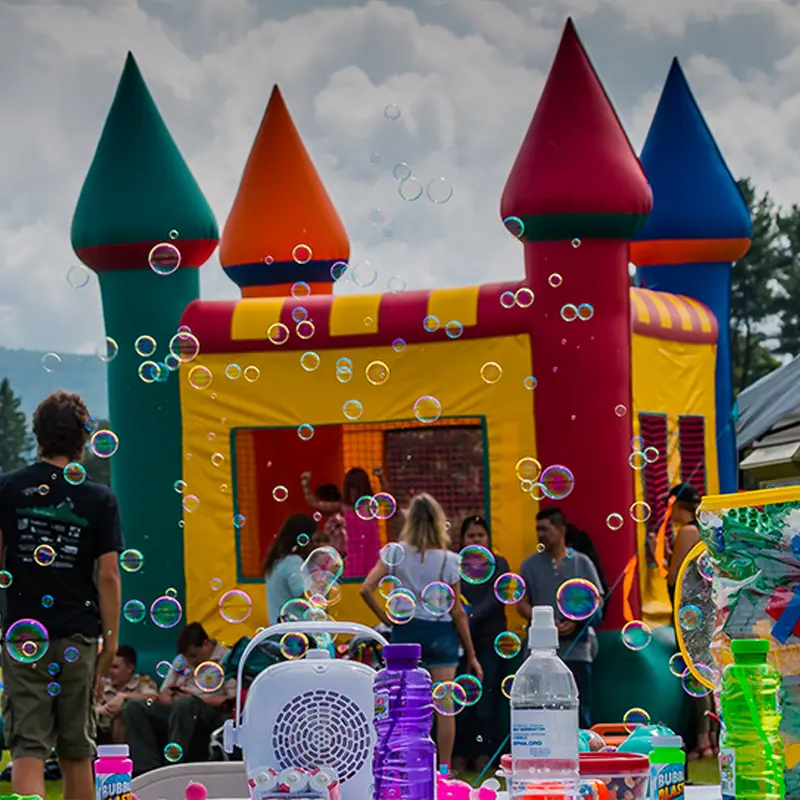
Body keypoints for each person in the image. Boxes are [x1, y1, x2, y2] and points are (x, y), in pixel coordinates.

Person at [0, 390, 122, 800]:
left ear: (38, 435)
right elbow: (108, 575)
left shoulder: (9, 489)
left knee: (28, 747)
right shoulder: (98, 497)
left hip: (23, 636)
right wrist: (112, 639)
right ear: (84, 440)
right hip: (79, 635)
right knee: (76, 750)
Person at [360, 493, 483, 768]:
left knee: (404, 706)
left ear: (410, 521)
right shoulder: (449, 560)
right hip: (441, 633)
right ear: (439, 522)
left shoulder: (394, 552)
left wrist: (387, 619)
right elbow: (458, 611)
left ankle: (405, 765)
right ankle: (445, 769)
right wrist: (472, 655)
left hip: (406, 632)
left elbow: (366, 588)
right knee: (445, 707)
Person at [517, 508, 603, 730]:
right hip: (539, 650)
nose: (541, 534)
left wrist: (576, 623)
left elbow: (597, 600)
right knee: (540, 705)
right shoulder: (530, 565)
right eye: (538, 530)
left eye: (545, 529)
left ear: (561, 529)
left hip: (577, 647)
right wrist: (543, 621)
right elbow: (521, 603)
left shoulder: (581, 563)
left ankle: (581, 749)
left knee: (577, 703)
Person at [123, 623, 237, 775]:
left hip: (209, 713)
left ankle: (172, 766)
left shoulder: (226, 658)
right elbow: (162, 693)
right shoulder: (182, 661)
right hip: (179, 710)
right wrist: (170, 697)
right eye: (187, 657)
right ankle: (146, 770)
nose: (191, 661)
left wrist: (194, 698)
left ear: (206, 644)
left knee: (185, 704)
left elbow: (231, 700)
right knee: (134, 707)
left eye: (194, 656)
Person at [664, 482, 717, 761]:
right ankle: (712, 741)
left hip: (688, 614)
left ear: (678, 505)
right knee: (705, 673)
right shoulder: (705, 530)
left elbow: (675, 577)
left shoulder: (687, 531)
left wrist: (660, 559)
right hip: (705, 610)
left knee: (695, 674)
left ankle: (703, 742)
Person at [454, 515, 509, 773]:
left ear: (488, 538)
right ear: (462, 540)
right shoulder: (455, 567)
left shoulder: (499, 564)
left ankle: (484, 754)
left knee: (486, 700)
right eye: (470, 536)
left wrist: (469, 617)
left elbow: (496, 599)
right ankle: (461, 753)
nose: (476, 540)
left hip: (489, 643)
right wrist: (462, 622)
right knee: (459, 702)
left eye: (480, 535)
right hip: (460, 644)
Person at [302, 467, 386, 579]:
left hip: (372, 552)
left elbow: (387, 495)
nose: (353, 491)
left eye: (356, 487)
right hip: (354, 554)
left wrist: (381, 477)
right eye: (350, 487)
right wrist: (305, 486)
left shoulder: (371, 504)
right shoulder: (343, 506)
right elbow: (315, 503)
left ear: (362, 487)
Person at [263, 513, 327, 624]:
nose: (315, 545)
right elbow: (311, 601)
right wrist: (328, 573)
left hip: (280, 631)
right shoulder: (293, 562)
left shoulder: (277, 561)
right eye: (315, 539)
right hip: (296, 634)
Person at [96, 645, 158, 744]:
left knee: (122, 715)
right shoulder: (102, 686)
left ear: (130, 668)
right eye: (109, 667)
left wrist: (124, 697)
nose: (110, 672)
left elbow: (154, 698)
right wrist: (102, 710)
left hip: (133, 737)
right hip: (101, 735)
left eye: (115, 667)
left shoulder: (142, 683)